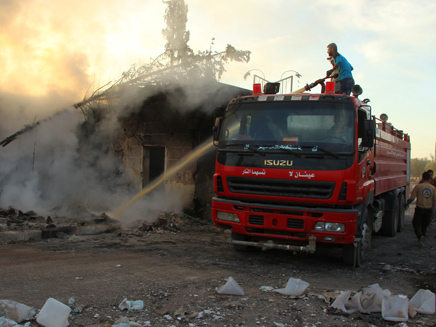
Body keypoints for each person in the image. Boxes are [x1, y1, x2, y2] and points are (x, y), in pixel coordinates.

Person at [406, 171, 436, 247]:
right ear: (430, 178)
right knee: (424, 225)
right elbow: (435, 200)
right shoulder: (433, 188)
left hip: (420, 208)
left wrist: (407, 203)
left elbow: (412, 198)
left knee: (415, 223)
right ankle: (422, 239)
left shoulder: (418, 186)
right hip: (428, 209)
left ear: (422, 178)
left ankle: (420, 236)